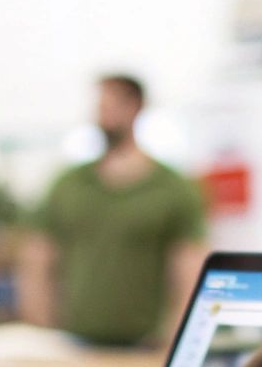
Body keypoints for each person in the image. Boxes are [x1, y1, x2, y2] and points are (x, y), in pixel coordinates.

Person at [18, 74, 208, 346]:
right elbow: (37, 254)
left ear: (136, 107)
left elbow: (189, 267)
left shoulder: (172, 187)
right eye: (100, 106)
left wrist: (177, 338)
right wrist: (42, 327)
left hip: (144, 343)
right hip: (74, 340)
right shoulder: (69, 184)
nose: (102, 114)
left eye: (112, 104)